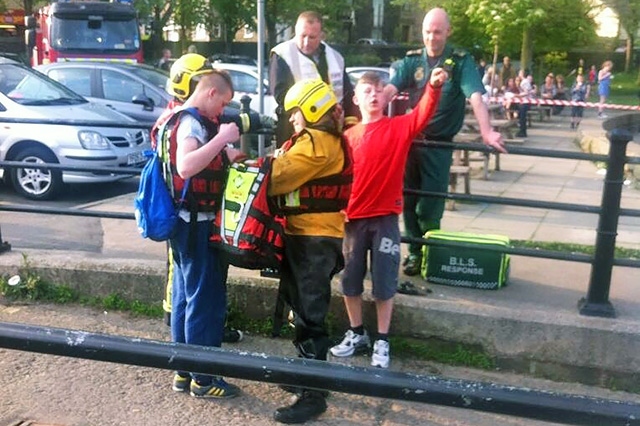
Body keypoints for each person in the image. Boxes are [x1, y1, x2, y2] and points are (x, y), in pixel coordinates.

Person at [330, 68, 446, 370]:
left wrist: (433, 87)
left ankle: (382, 338)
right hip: (352, 220)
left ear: (387, 96)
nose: (372, 95)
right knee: (350, 281)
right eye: (366, 90)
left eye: (378, 90)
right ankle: (356, 333)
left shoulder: (399, 128)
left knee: (384, 282)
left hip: (384, 221)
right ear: (356, 98)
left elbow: (423, 112)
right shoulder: (347, 137)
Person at [383, 7, 507, 276]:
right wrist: (373, 110)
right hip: (411, 143)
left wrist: (487, 131)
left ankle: (431, 250)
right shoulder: (412, 62)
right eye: (427, 31)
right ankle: (416, 253)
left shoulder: (461, 61)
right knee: (408, 199)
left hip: (439, 145)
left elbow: (475, 96)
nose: (431, 37)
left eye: (437, 32)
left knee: (430, 204)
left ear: (448, 32)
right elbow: (391, 89)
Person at [157, 58, 245, 398]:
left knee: (182, 298)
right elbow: (188, 164)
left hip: (182, 224)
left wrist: (227, 152)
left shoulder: (175, 118)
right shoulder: (192, 123)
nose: (222, 110)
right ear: (210, 93)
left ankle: (182, 372)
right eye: (222, 103)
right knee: (203, 303)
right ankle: (204, 380)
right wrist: (222, 138)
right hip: (197, 225)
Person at [267, 79, 352, 424]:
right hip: (312, 235)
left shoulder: (316, 142)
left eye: (296, 114)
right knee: (301, 305)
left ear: (312, 110)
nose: (293, 122)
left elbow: (277, 178)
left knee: (309, 313)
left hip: (313, 239)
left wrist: (260, 163)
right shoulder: (326, 140)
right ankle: (307, 375)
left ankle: (313, 395)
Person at [269, 10, 358, 148]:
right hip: (293, 131)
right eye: (302, 36)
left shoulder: (336, 57)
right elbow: (281, 95)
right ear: (295, 31)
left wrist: (347, 122)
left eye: (312, 37)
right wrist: (324, 109)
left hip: (331, 130)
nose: (306, 42)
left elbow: (346, 94)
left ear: (321, 35)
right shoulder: (282, 54)